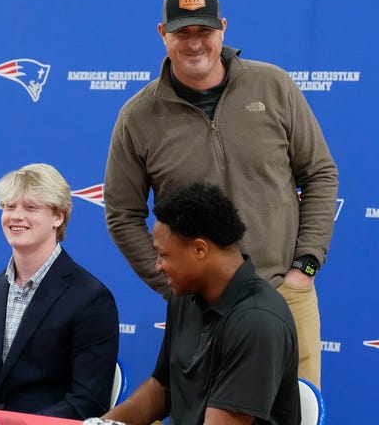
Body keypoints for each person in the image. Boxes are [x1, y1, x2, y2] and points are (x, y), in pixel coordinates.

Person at [104, 0, 338, 388]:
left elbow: (319, 174)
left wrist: (305, 267)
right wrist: (175, 286)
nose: (195, 43)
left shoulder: (274, 85)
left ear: (223, 28)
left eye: (204, 31)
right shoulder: (137, 117)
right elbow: (122, 214)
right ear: (163, 34)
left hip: (285, 294)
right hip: (201, 308)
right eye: (182, 32)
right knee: (208, 414)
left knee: (294, 413)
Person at [102, 182, 300, 425]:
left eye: (164, 255)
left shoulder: (258, 321)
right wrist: (102, 423)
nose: (158, 266)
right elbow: (162, 388)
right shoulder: (183, 298)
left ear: (199, 249)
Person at [0, 163, 119, 419]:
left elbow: (87, 401)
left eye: (30, 207)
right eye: (9, 206)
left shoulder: (91, 298)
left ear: (58, 217)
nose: (15, 216)